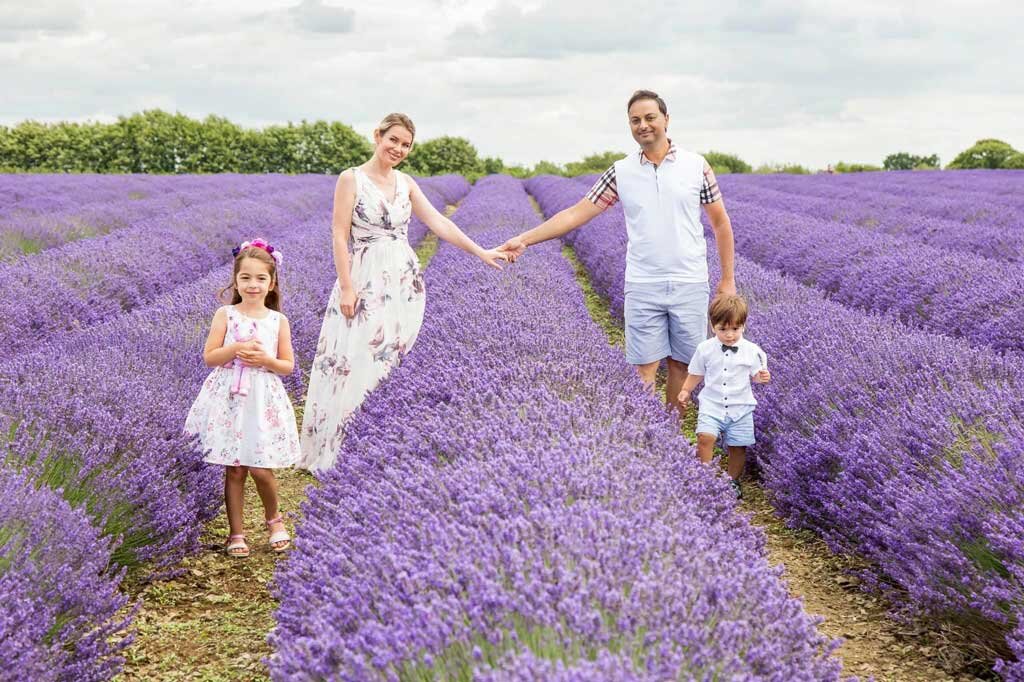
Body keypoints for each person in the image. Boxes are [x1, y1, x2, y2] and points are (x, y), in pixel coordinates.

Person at [498, 89, 736, 414]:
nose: (643, 125)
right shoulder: (621, 171)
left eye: (650, 117)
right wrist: (525, 238)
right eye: (635, 120)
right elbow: (575, 213)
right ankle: (648, 440)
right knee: (643, 369)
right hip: (643, 283)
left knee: (682, 366)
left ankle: (669, 437)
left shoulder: (696, 166)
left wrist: (727, 280)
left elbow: (721, 223)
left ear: (666, 120)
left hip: (689, 282)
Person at [299, 113, 507, 472]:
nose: (397, 149)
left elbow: (440, 223)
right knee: (357, 356)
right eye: (392, 140)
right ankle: (343, 448)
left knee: (392, 357)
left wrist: (481, 251)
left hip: (403, 281)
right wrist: (347, 287)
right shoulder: (351, 179)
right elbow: (338, 234)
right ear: (377, 136)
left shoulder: (406, 183)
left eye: (405, 144)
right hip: (365, 277)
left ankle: (379, 441)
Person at [185, 238, 300, 557]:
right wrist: (235, 349)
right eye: (246, 278)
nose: (253, 284)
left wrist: (265, 361)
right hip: (230, 400)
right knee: (234, 468)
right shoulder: (226, 314)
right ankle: (236, 533)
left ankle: (274, 520)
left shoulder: (278, 321)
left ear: (272, 283)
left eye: (261, 278)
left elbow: (287, 366)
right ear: (235, 281)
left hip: (262, 397)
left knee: (261, 467)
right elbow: (209, 357)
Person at [677, 294, 770, 498]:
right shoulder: (705, 349)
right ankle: (703, 478)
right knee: (704, 438)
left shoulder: (752, 351)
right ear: (713, 326)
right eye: (723, 329)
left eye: (735, 329)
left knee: (738, 448)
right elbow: (696, 372)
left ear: (743, 326)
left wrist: (762, 377)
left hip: (741, 408)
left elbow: (756, 376)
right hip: (712, 405)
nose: (729, 335)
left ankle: (732, 481)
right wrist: (685, 390)